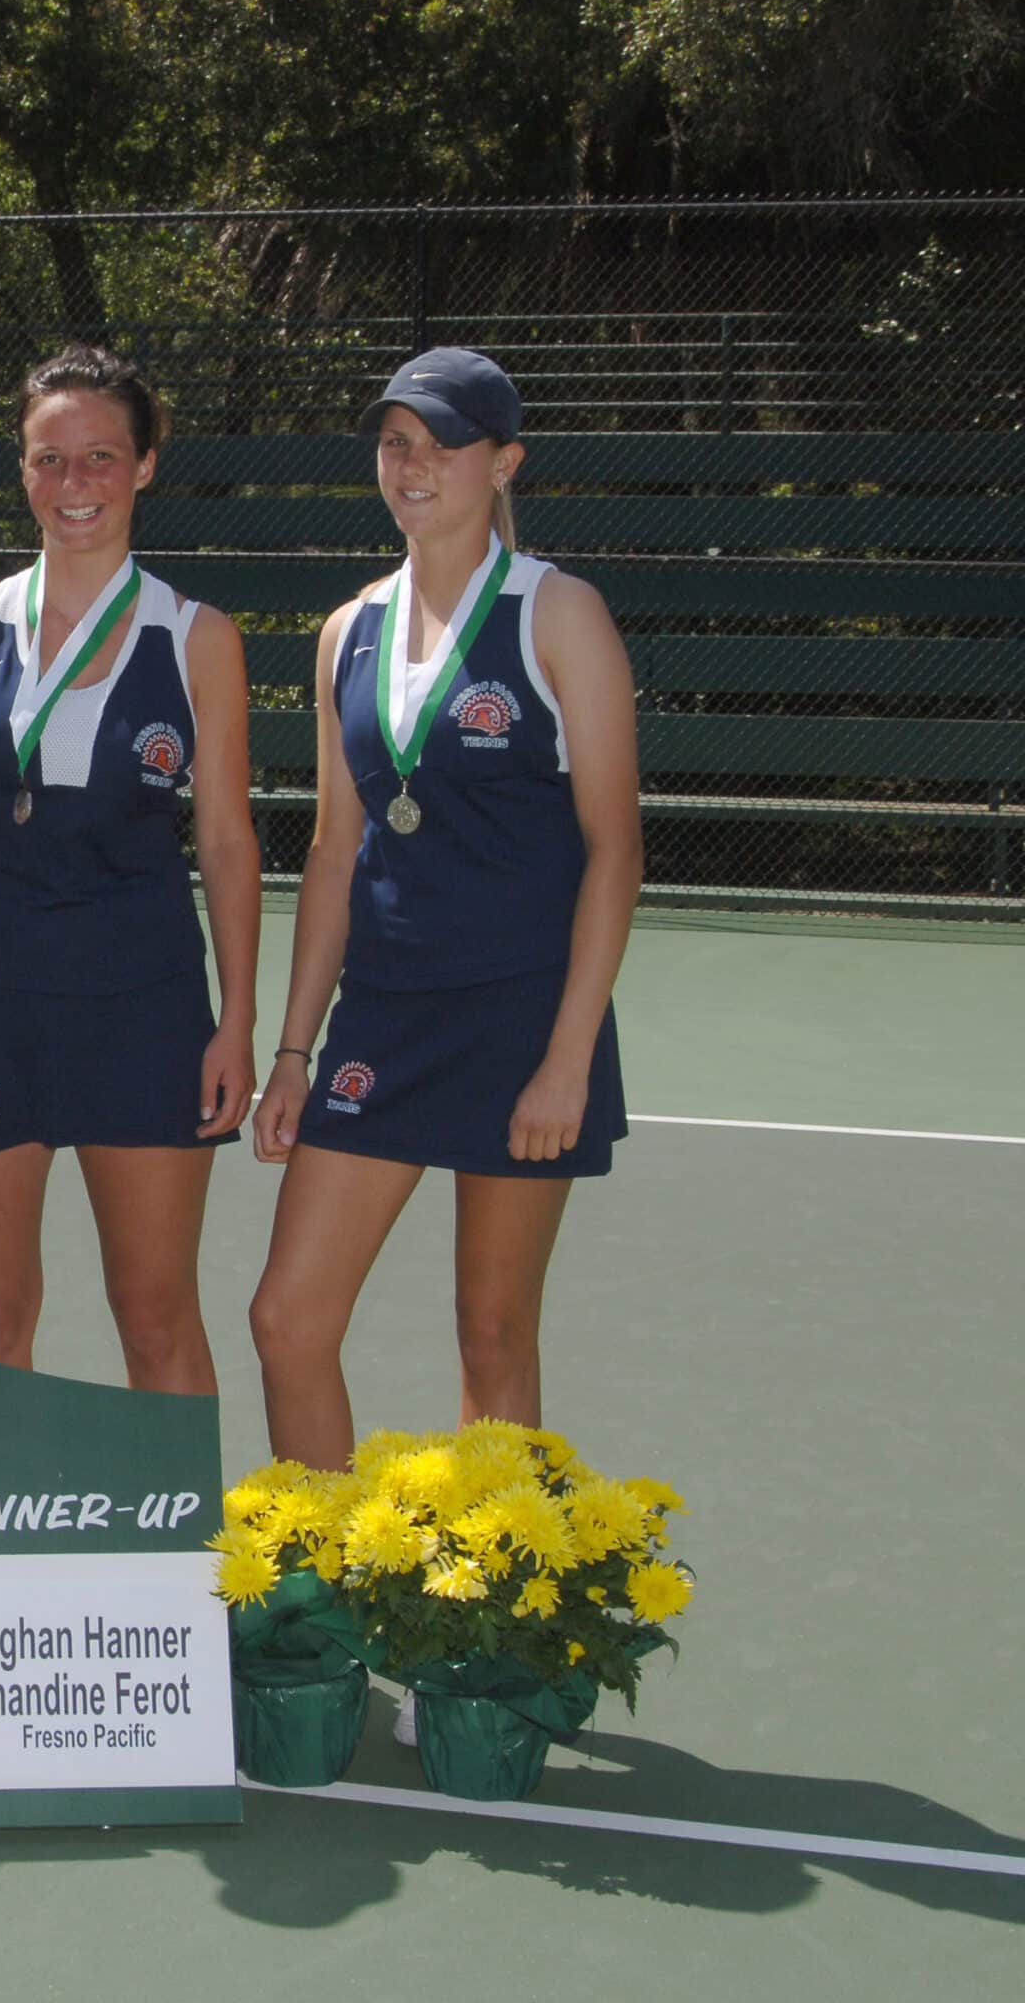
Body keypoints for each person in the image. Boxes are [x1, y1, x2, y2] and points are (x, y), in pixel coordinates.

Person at [247, 347, 642, 1474]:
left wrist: (566, 1060)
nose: (411, 465)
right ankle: (320, 1566)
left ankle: (496, 1579)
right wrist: (293, 1052)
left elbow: (616, 851)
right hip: (381, 1021)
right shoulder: (347, 630)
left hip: (520, 1017)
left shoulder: (559, 612)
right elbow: (333, 850)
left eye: (442, 445)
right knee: (287, 1320)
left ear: (504, 462)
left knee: (492, 1333)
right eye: (394, 443)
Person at [0, 345, 261, 1394]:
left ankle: (178, 1511)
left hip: (144, 1006)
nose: (73, 482)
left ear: (144, 466)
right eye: (48, 458)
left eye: (100, 457)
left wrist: (236, 1020)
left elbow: (228, 842)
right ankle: (0, 1511)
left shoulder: (198, 638)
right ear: (22, 468)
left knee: (156, 1316)